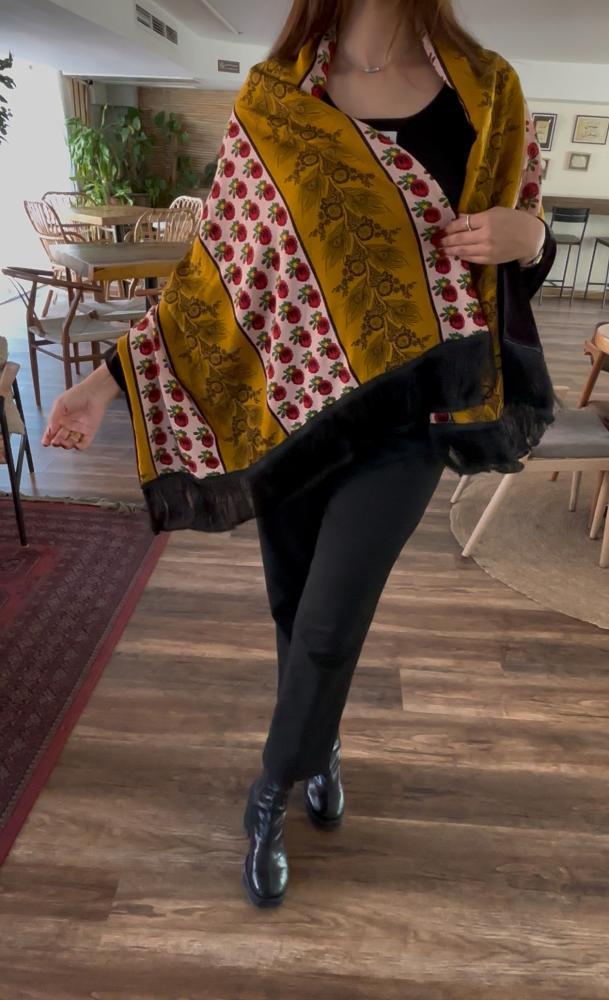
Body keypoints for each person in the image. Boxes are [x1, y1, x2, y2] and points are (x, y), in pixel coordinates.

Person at [42, 0, 557, 909]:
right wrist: (104, 382)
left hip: (409, 421)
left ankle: (270, 792)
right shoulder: (275, 101)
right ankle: (320, 750)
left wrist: (532, 237)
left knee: (328, 621)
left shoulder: (486, 95)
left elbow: (509, 247)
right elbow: (215, 280)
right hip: (290, 412)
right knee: (293, 607)